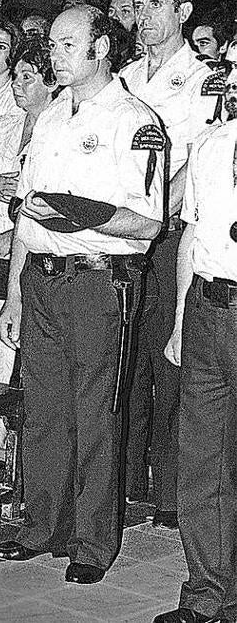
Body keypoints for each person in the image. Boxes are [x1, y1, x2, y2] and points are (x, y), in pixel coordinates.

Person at [0, 5, 164, 584]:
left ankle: (92, 542)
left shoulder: (134, 121)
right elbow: (29, 214)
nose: (53, 54)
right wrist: (15, 293)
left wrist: (82, 217)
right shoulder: (46, 121)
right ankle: (43, 527)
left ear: (100, 49)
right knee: (43, 413)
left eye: (66, 44)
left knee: (96, 415)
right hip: (41, 277)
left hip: (97, 281)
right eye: (53, 44)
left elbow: (147, 224)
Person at [118, 0, 215, 528]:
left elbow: (194, 162)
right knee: (127, 355)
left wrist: (155, 213)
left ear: (182, 12)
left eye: (156, 6)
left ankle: (172, 493)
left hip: (170, 231)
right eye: (138, 7)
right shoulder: (123, 79)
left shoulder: (203, 82)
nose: (145, 16)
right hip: (121, 233)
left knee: (170, 360)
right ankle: (128, 479)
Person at [155, 70, 237, 623]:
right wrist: (183, 320)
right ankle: (210, 594)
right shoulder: (210, 145)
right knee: (201, 464)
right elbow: (192, 236)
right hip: (210, 312)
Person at [0, 37, 52, 386]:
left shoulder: (59, 127)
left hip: (30, 238)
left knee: (22, 338)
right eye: (15, 76)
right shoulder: (3, 121)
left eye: (27, 77)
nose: (16, 85)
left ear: (51, 82)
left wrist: (15, 231)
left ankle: (12, 431)